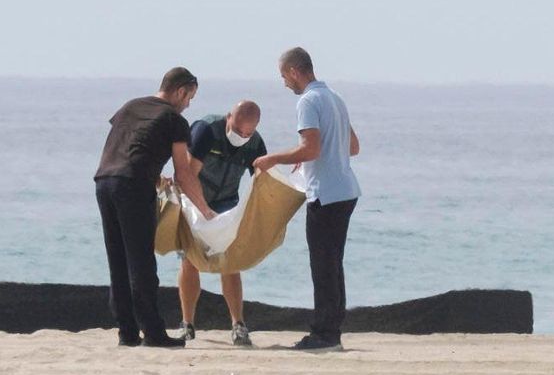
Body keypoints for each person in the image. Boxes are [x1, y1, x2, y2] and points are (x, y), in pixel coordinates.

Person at [94, 67, 215, 349]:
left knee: (118, 260)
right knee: (141, 263)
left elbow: (127, 145)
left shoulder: (130, 106)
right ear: (180, 91)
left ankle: (126, 331)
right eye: (189, 98)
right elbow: (184, 173)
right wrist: (205, 210)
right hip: (133, 186)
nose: (188, 105)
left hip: (104, 181)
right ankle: (153, 333)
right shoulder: (174, 119)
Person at [255, 47, 361, 350]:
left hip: (326, 194)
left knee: (323, 265)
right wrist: (314, 156)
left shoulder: (308, 101)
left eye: (283, 77)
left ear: (293, 71)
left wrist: (272, 158)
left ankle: (324, 334)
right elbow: (352, 146)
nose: (284, 83)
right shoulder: (335, 98)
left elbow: (310, 148)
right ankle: (332, 330)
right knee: (333, 263)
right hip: (345, 189)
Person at [175, 100, 266, 346]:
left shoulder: (254, 143)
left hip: (227, 202)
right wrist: (203, 210)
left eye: (247, 133)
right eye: (237, 131)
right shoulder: (207, 130)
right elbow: (187, 174)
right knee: (190, 259)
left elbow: (261, 181)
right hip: (195, 199)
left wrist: (254, 219)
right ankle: (187, 324)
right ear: (228, 118)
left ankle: (238, 324)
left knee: (230, 262)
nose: (242, 136)